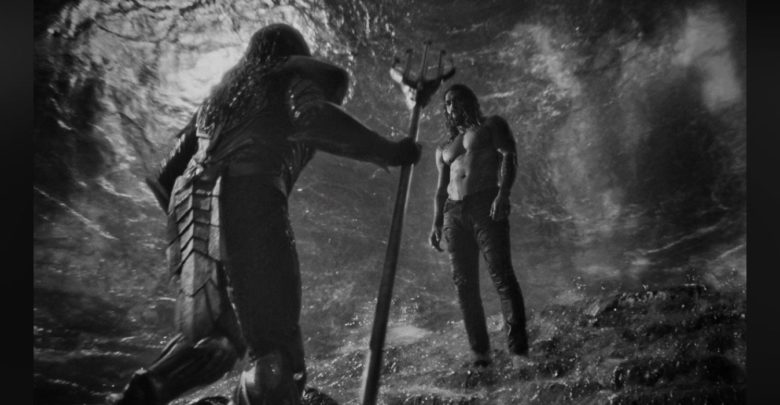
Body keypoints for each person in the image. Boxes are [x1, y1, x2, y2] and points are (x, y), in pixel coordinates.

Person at [114, 23, 421, 405]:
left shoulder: (220, 96)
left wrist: (218, 240)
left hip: (194, 209)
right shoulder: (291, 72)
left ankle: (149, 388)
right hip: (253, 195)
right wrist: (388, 151)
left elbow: (168, 178)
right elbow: (313, 117)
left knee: (224, 337)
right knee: (275, 350)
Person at [428, 83, 529, 369]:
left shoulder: (491, 125)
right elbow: (440, 189)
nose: (452, 106)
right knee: (464, 285)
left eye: (457, 100)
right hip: (453, 213)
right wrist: (436, 223)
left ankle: (519, 352)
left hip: (485, 204)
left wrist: (503, 194)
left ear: (470, 101)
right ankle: (480, 354)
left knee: (502, 275)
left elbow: (509, 155)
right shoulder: (444, 148)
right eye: (448, 103)